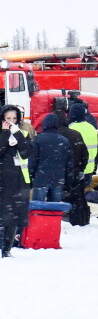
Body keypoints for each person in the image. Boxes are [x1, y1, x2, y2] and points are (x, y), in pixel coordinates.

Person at [0, 105, 32, 258]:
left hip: (18, 181)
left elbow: (26, 153)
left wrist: (17, 135)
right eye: (8, 119)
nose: (11, 122)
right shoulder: (2, 134)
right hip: (2, 180)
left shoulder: (23, 133)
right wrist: (5, 135)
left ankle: (7, 249)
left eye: (14, 119)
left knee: (12, 216)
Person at [55, 110, 90, 226]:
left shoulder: (55, 135)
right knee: (78, 196)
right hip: (75, 170)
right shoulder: (75, 134)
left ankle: (59, 218)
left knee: (58, 197)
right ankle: (80, 218)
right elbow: (85, 153)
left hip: (60, 171)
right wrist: (81, 168)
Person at [29, 114, 74, 202]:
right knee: (55, 208)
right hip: (58, 179)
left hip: (40, 179)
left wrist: (31, 176)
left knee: (37, 206)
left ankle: (38, 216)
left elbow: (32, 161)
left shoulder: (37, 139)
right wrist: (68, 181)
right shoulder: (64, 141)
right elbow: (69, 163)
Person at [69, 102, 98, 187]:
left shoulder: (71, 127)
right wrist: (95, 168)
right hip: (89, 168)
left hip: (75, 169)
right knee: (84, 194)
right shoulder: (92, 128)